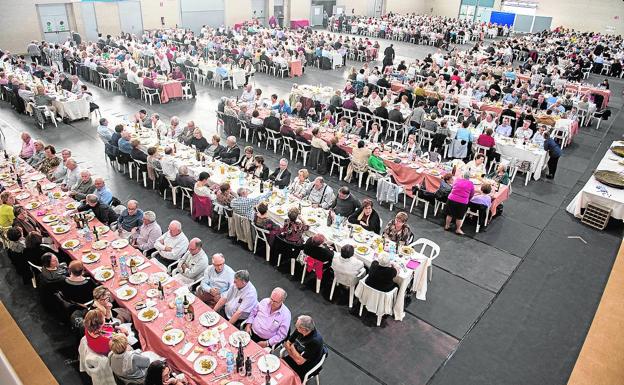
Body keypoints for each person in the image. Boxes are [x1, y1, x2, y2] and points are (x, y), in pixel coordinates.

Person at [283, 315, 325, 381]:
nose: (296, 328)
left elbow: (300, 362)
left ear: (303, 329)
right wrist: (295, 355)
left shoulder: (315, 341)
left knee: (287, 379)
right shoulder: (299, 330)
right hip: (296, 357)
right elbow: (287, 343)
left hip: (306, 366)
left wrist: (292, 348)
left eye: (297, 326)